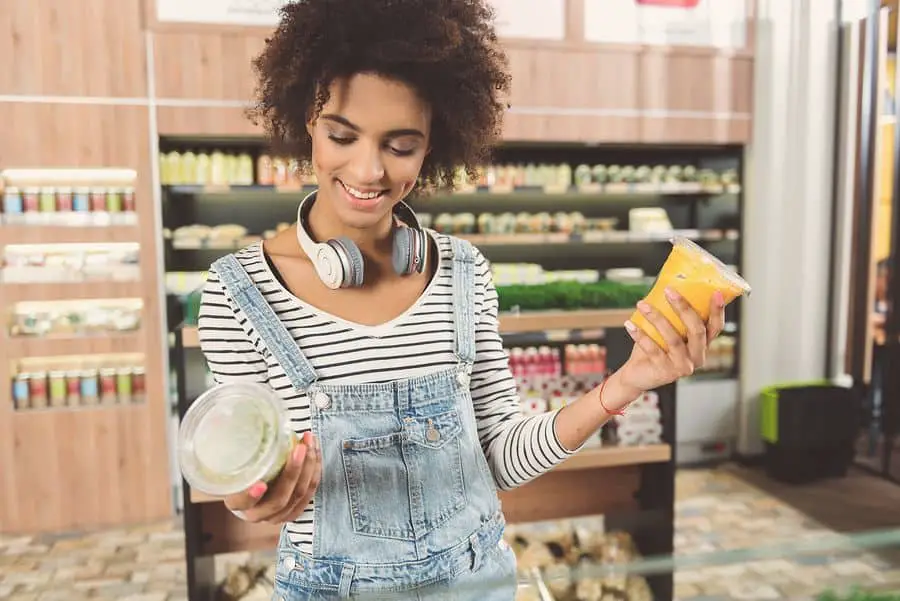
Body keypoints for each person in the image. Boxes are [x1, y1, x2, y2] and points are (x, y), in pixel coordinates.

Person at [196, 1, 726, 599]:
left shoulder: (463, 274)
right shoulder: (236, 294)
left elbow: (500, 457)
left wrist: (627, 383)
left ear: (433, 148)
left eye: (401, 145)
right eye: (341, 135)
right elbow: (243, 476)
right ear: (306, 123)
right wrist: (248, 499)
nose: (368, 170)